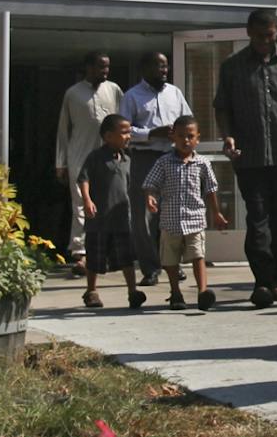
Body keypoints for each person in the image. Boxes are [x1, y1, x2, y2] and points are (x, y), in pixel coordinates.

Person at [214, 10, 277, 308]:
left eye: (270, 36)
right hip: (250, 157)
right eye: (259, 36)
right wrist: (227, 136)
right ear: (249, 33)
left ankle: (275, 278)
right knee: (258, 220)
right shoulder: (232, 67)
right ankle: (262, 282)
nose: (265, 41)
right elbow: (223, 107)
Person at [120, 51, 193, 284]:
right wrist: (151, 133)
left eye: (165, 66)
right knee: (143, 216)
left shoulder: (175, 93)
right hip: (145, 159)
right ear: (144, 69)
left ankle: (173, 264)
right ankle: (150, 268)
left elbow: (188, 121)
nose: (164, 70)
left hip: (173, 158)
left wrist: (181, 135)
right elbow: (124, 131)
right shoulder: (132, 96)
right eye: (158, 66)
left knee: (173, 214)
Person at [143, 115, 227, 312]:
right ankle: (175, 292)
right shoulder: (164, 162)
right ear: (173, 137)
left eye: (190, 136)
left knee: (198, 255)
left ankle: (203, 292)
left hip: (195, 219)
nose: (186, 140)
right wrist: (150, 197)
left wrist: (216, 213)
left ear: (198, 138)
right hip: (170, 221)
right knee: (170, 260)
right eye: (181, 136)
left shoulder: (202, 163)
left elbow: (211, 189)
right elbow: (150, 183)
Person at [55, 50, 123, 273]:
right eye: (100, 67)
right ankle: (80, 254)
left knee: (110, 203)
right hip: (79, 156)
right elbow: (63, 130)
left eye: (107, 67)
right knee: (82, 205)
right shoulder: (73, 94)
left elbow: (123, 125)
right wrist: (61, 162)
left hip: (108, 157)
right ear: (88, 67)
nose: (105, 71)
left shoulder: (113, 90)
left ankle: (109, 253)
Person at [77, 114, 144, 311]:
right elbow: (83, 179)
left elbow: (132, 185)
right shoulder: (96, 157)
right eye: (123, 133)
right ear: (108, 136)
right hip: (99, 219)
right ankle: (91, 291)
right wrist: (87, 200)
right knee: (95, 256)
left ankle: (133, 292)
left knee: (126, 256)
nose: (128, 136)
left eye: (129, 132)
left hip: (121, 218)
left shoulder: (127, 158)